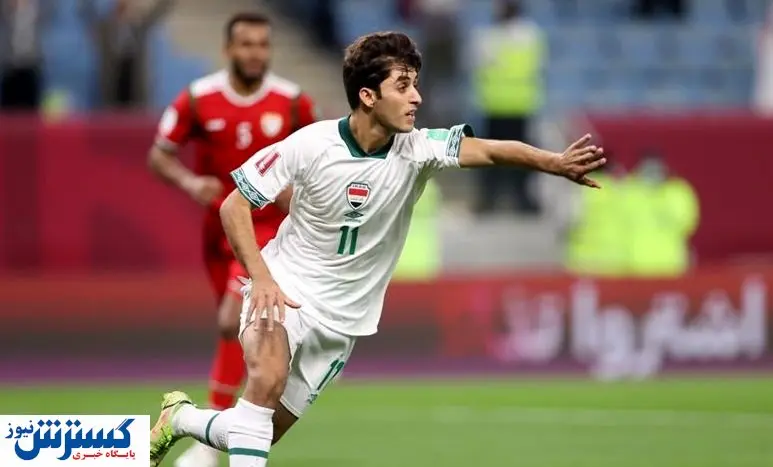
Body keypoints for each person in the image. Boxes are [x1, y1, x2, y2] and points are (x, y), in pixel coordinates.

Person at [147, 31, 605, 467]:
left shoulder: (418, 149)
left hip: (343, 320)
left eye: (416, 85)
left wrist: (553, 161)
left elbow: (487, 150)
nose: (416, 97)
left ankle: (180, 419)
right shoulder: (311, 144)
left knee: (262, 430)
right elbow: (235, 205)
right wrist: (262, 278)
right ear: (368, 95)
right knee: (265, 382)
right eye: (402, 86)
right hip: (284, 289)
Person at [146, 11, 317, 467]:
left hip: (268, 231)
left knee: (230, 319)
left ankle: (205, 443)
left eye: (263, 44)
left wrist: (296, 193)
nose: (256, 53)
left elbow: (319, 158)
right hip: (219, 228)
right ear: (228, 49)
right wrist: (189, 182)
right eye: (246, 44)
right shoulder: (199, 99)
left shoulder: (292, 102)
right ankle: (219, 425)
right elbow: (159, 155)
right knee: (234, 329)